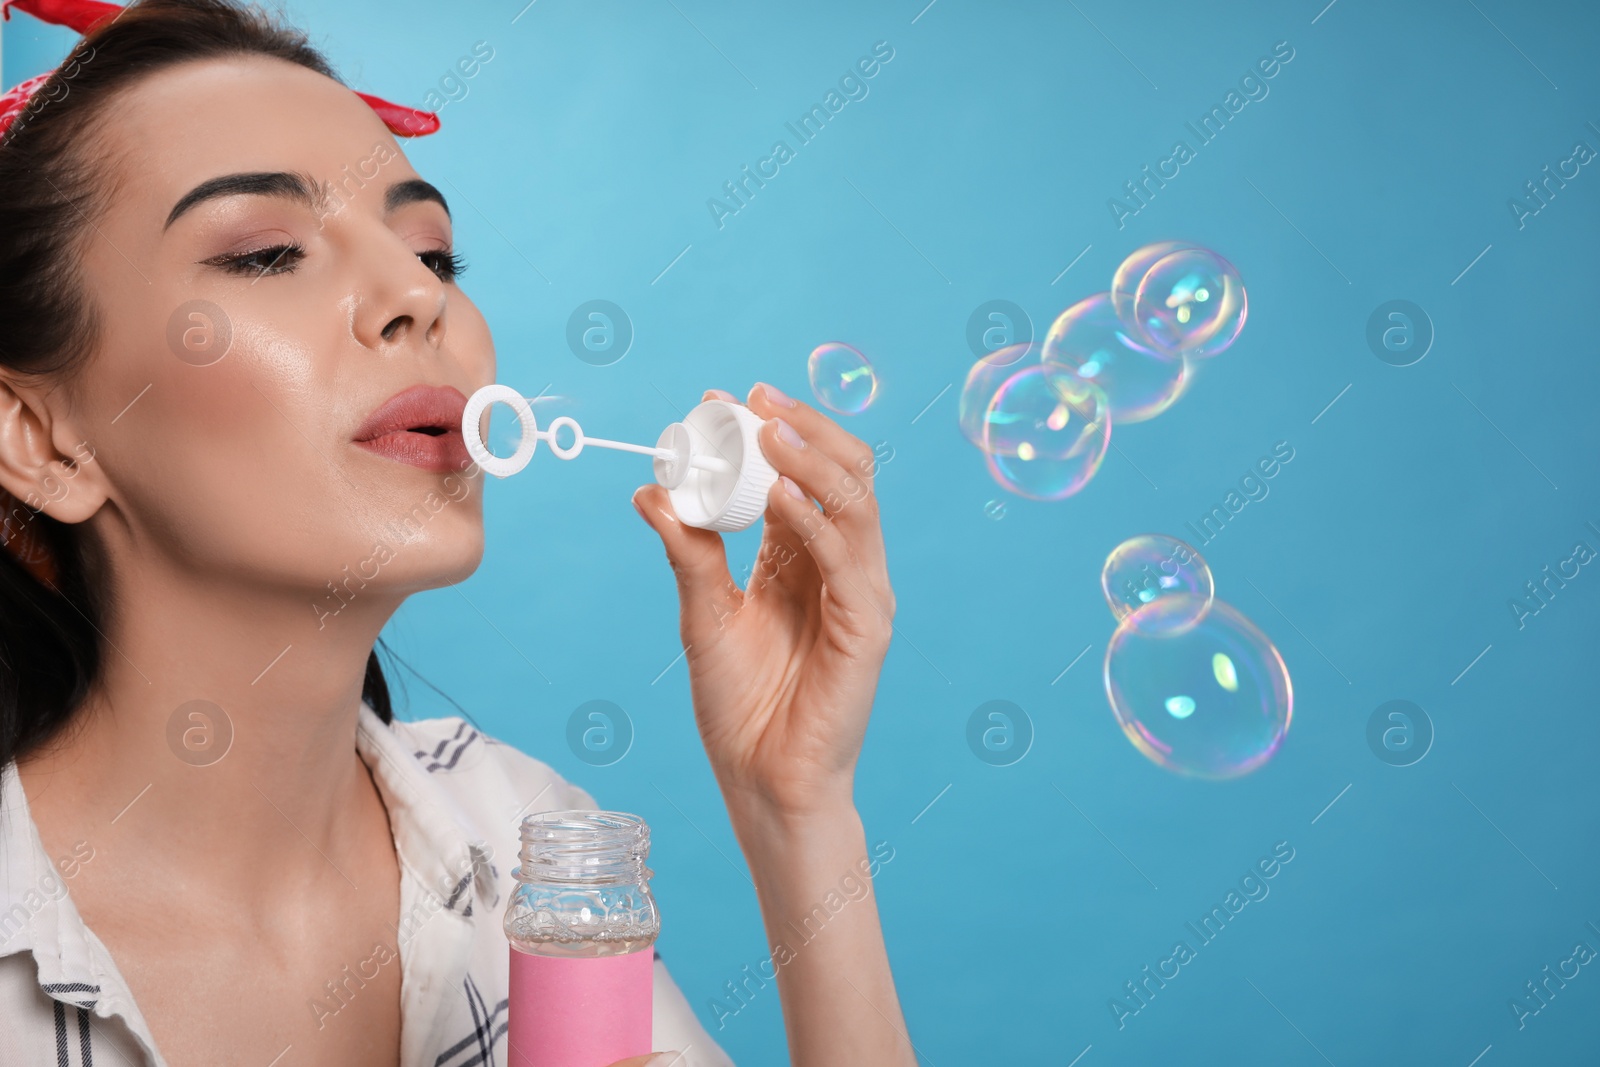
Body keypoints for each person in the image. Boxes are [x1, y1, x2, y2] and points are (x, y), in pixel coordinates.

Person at [0, 1, 911, 1064]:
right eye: (265, 253)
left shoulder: (530, 845)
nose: (410, 297)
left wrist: (795, 814)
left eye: (432, 252)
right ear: (40, 438)